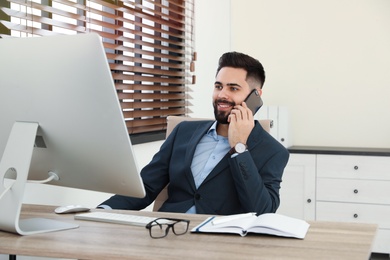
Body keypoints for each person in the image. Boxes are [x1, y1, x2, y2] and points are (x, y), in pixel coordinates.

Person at [99, 51, 289, 215]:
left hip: (222, 243)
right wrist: (102, 211)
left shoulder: (273, 152)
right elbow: (146, 187)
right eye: (218, 86)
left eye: (233, 88)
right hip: (168, 232)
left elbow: (262, 211)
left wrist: (239, 148)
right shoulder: (184, 132)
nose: (222, 95)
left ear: (255, 95)